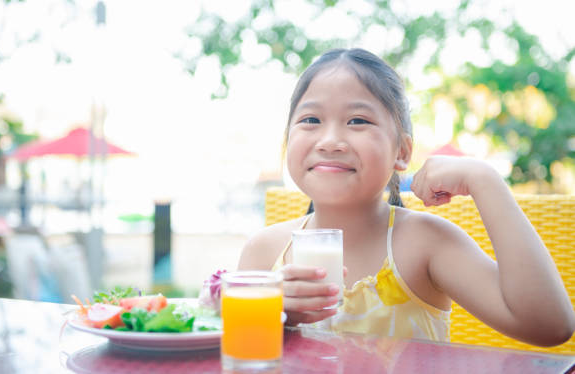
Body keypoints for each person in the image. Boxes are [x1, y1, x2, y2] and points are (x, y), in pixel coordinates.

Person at [238, 48, 575, 346]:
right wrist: (270, 314)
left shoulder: (425, 244)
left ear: (402, 152)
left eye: (357, 120)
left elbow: (550, 326)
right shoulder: (264, 251)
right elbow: (235, 351)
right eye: (311, 119)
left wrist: (484, 181)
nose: (330, 141)